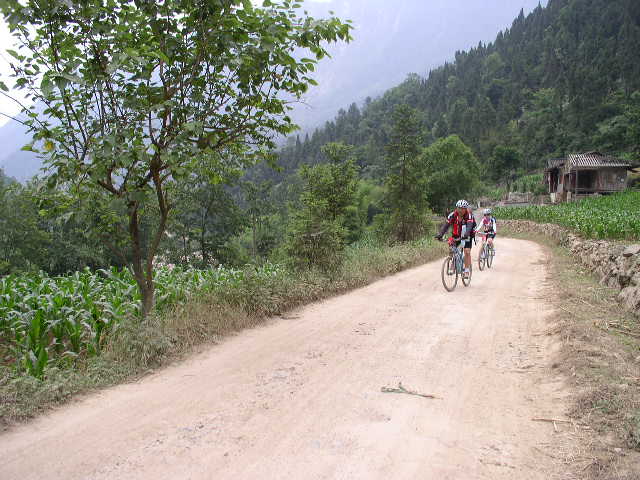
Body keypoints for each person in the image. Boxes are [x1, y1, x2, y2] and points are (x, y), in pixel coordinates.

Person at [435, 199, 475, 278]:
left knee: (467, 251)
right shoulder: (452, 215)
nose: (460, 210)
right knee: (451, 248)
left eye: (463, 208)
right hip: (456, 235)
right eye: (459, 208)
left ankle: (467, 270)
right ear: (456, 208)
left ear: (465, 209)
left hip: (467, 234)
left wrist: (466, 234)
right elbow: (446, 226)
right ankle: (452, 263)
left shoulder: (469, 215)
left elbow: (469, 226)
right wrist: (440, 234)